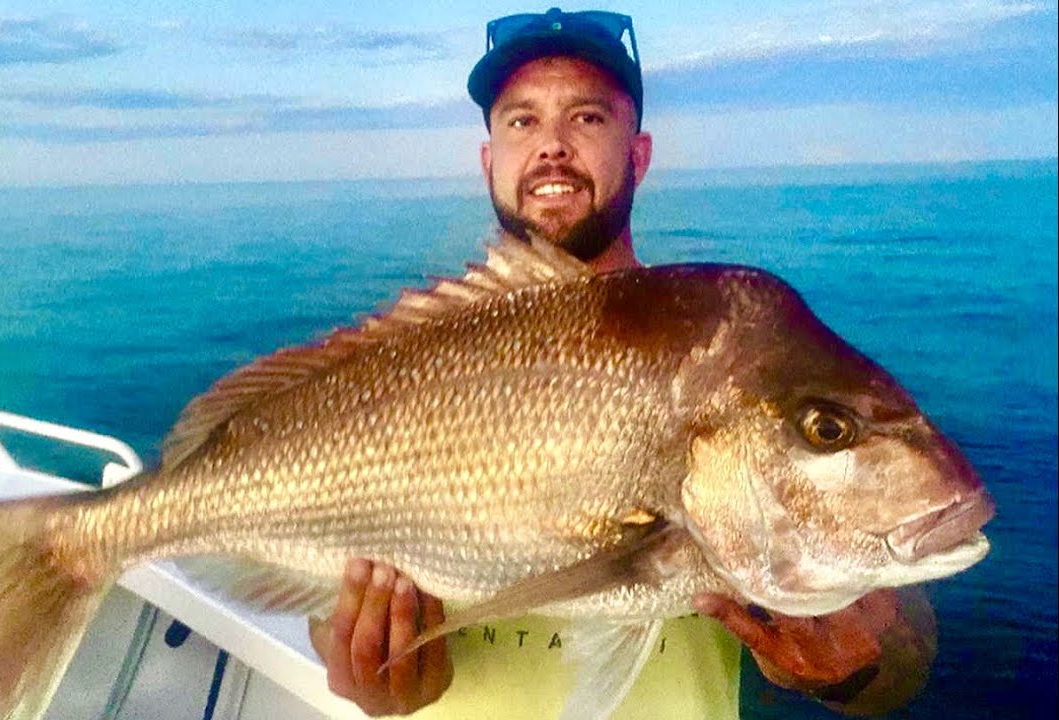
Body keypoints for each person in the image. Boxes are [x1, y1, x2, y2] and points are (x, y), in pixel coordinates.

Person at [309, 8, 938, 718]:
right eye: (521, 121)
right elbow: (314, 596)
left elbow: (902, 655)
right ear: (489, 160)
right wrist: (365, 672)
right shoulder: (406, 361)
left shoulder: (731, 350)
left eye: (586, 118)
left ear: (638, 155)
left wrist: (854, 669)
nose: (551, 145)